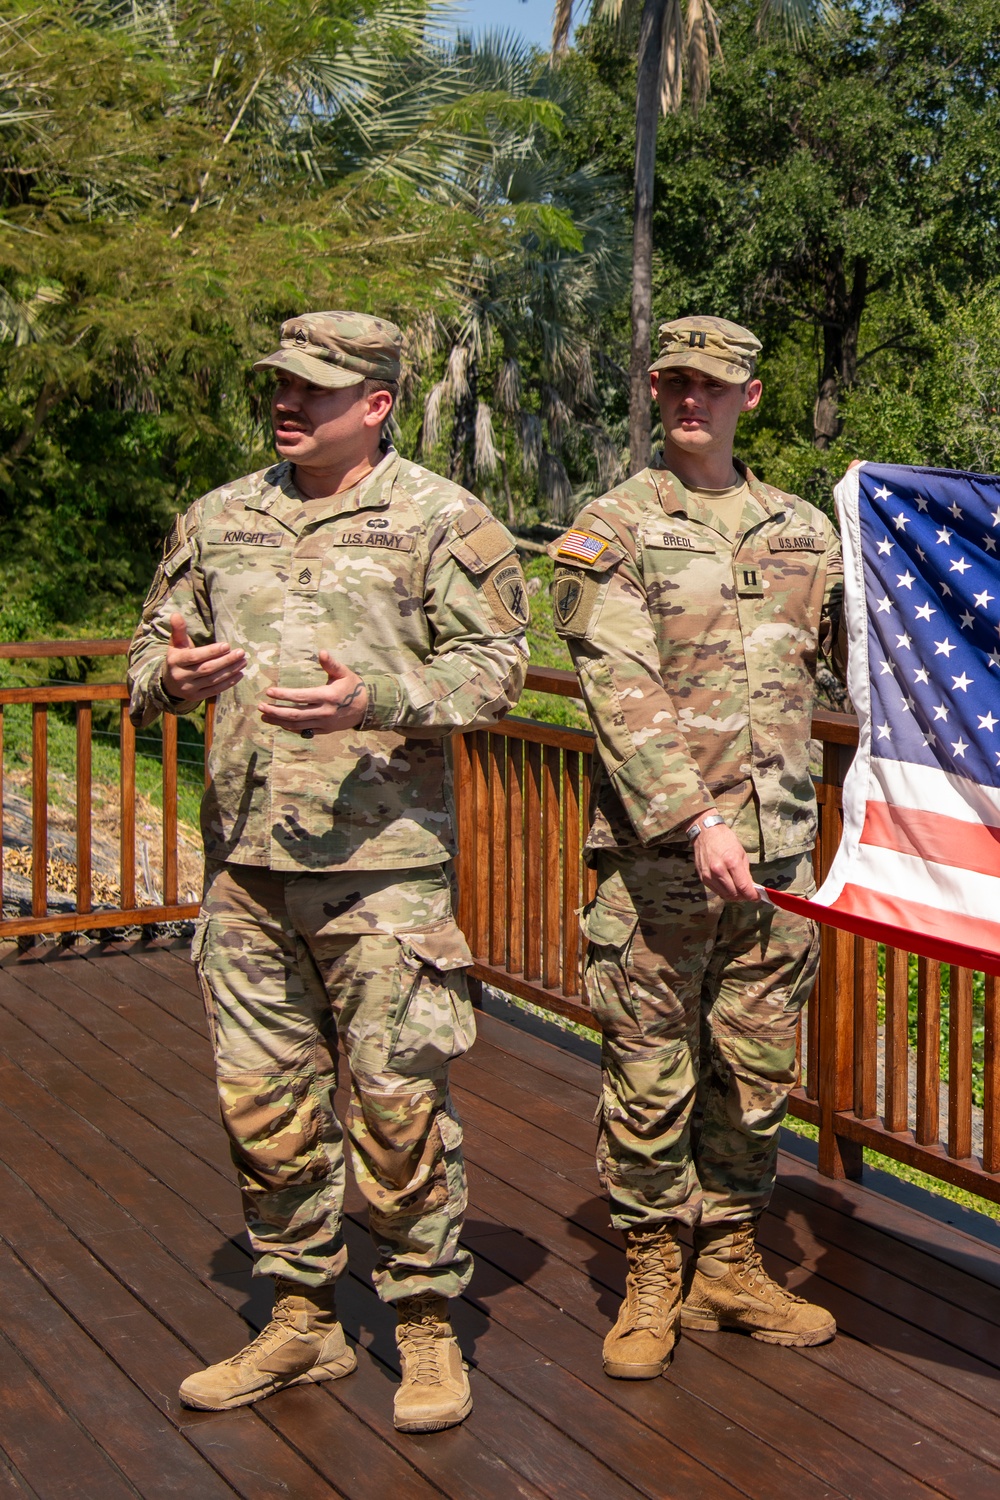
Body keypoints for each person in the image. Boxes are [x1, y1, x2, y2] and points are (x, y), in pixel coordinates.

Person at [128, 310, 528, 1432]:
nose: (286, 403)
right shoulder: (219, 516)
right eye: (279, 386)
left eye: (313, 388)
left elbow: (498, 670)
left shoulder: (443, 519)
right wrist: (175, 677)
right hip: (245, 870)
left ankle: (425, 1326)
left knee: (399, 1111)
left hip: (384, 872)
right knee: (265, 1111)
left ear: (378, 404)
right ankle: (299, 1320)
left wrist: (381, 700)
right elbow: (146, 650)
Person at [550, 315, 841, 1380]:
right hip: (662, 865)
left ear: (748, 398)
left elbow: (867, 669)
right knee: (649, 1071)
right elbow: (618, 696)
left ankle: (728, 1259)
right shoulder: (612, 529)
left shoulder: (805, 530)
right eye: (673, 381)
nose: (690, 399)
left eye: (711, 386)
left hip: (779, 866)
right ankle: (650, 1271)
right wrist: (697, 819)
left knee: (756, 1071)